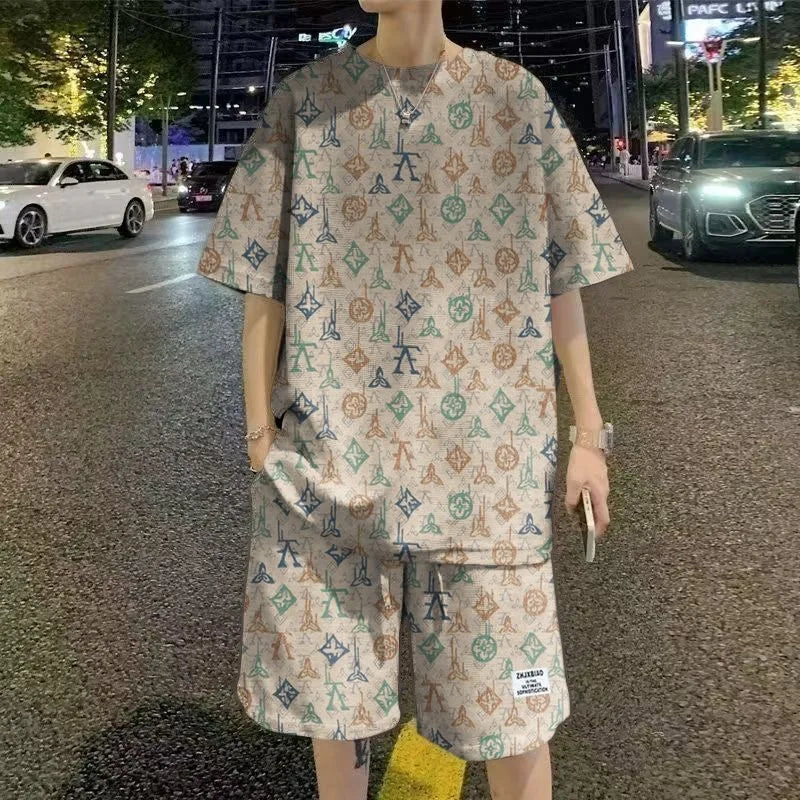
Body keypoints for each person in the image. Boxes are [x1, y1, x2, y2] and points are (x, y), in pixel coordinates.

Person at [195, 2, 634, 798]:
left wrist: (589, 437)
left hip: (488, 472)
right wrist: (260, 437)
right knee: (337, 714)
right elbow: (264, 282)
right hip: (327, 465)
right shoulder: (304, 101)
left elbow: (562, 276)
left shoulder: (515, 98)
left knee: (512, 716)